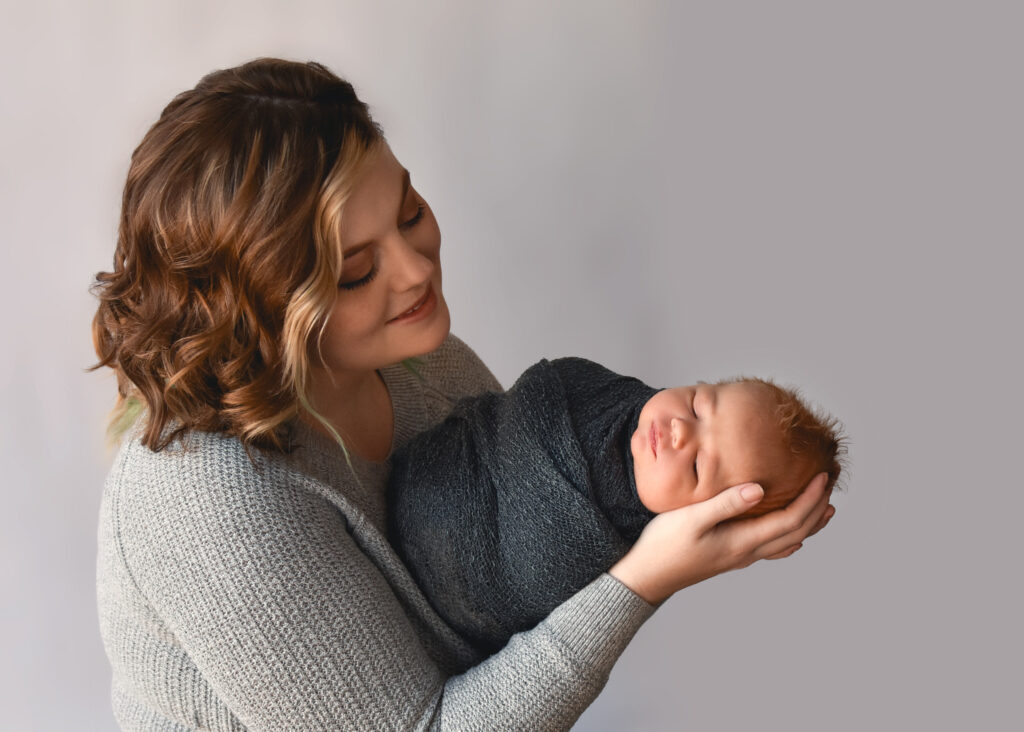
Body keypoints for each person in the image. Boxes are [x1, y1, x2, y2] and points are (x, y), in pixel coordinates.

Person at [91, 58, 836, 731]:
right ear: (258, 310)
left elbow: (514, 597)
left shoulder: (425, 365)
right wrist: (646, 578)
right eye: (356, 272)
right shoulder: (207, 495)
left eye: (410, 212)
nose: (415, 271)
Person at [388, 356, 845, 654]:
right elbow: (537, 395)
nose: (680, 431)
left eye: (699, 467)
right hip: (415, 470)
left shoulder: (639, 553)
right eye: (699, 404)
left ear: (703, 519)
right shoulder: (599, 394)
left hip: (431, 619)